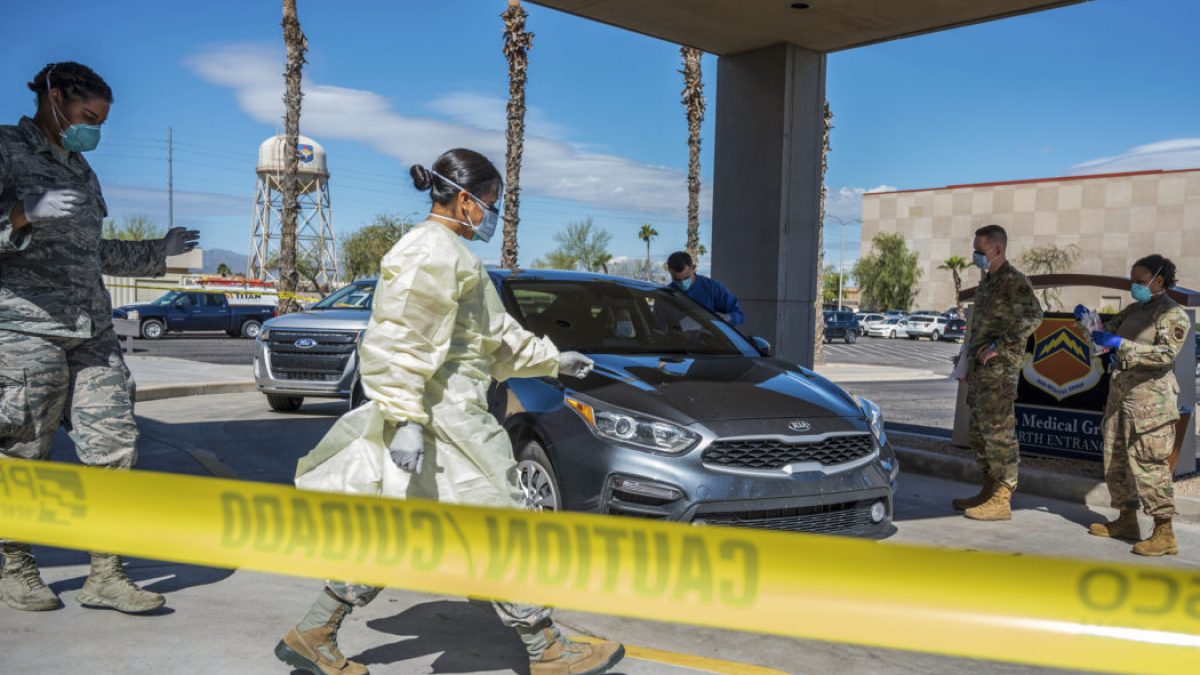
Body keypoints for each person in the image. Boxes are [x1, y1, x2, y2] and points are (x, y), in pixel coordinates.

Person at [276, 148, 624, 675]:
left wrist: (553, 358)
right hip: (442, 423)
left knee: (399, 533)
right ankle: (545, 648)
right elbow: (398, 344)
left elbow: (490, 337)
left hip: (449, 415)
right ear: (464, 200)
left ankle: (313, 632)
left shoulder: (454, 255)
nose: (493, 213)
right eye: (490, 202)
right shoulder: (427, 255)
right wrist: (408, 422)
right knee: (501, 525)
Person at [0, 62, 199, 613]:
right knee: (23, 452)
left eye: (102, 121)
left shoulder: (81, 168)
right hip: (24, 327)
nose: (95, 129)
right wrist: (19, 214)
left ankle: (105, 575)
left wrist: (160, 249)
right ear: (55, 97)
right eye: (88, 116)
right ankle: (16, 567)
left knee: (114, 445)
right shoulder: (5, 149)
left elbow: (96, 252)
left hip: (91, 329)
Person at [1083, 255, 1187, 556]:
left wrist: (1122, 345)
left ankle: (1164, 531)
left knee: (1149, 465)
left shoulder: (1172, 314)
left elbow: (1166, 354)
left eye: (1140, 281)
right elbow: (1104, 333)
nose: (1135, 286)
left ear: (1159, 280)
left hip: (1149, 403)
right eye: (1133, 281)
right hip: (1120, 398)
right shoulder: (1135, 309)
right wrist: (1087, 323)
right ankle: (1126, 520)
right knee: (1116, 460)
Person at [952, 224, 1043, 521]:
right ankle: (989, 489)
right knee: (980, 432)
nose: (975, 256)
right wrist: (966, 363)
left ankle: (1002, 498)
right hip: (980, 370)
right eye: (974, 251)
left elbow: (1033, 316)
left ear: (997, 249)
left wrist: (1001, 345)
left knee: (998, 432)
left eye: (980, 251)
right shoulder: (988, 282)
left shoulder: (1013, 281)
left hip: (1000, 371)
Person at [666, 251, 745, 326]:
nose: (682, 282)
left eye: (686, 278)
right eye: (677, 280)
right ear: (670, 272)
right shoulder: (666, 294)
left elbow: (739, 314)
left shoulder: (712, 287)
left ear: (693, 268)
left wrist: (727, 317)